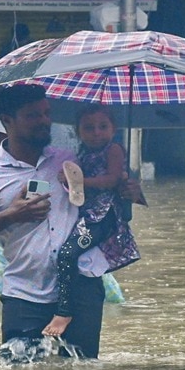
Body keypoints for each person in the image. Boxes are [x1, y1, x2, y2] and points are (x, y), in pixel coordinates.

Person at [0, 85, 143, 359]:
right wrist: (11, 215)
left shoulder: (69, 160)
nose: (44, 121)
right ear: (7, 120)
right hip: (24, 292)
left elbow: (106, 194)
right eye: (32, 115)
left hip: (81, 288)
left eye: (46, 113)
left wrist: (129, 191)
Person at [42, 105, 139, 338]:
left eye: (103, 127)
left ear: (114, 129)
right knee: (64, 253)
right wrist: (67, 180)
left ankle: (64, 311)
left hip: (103, 216)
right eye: (88, 128)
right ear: (78, 131)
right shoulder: (81, 153)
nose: (96, 132)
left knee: (67, 253)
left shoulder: (114, 149)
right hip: (85, 214)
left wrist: (79, 182)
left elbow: (111, 180)